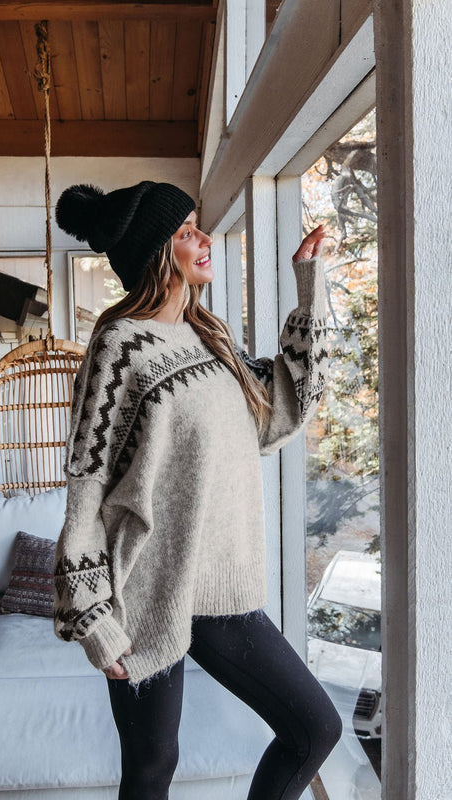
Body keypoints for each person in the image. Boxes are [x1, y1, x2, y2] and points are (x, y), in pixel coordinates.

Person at [53, 180, 343, 800]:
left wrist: (309, 285)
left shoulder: (209, 338)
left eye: (197, 226)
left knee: (315, 727)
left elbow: (283, 411)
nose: (204, 240)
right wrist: (96, 624)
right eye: (186, 231)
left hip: (223, 590)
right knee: (153, 771)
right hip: (147, 596)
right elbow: (85, 494)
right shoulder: (119, 347)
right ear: (159, 253)